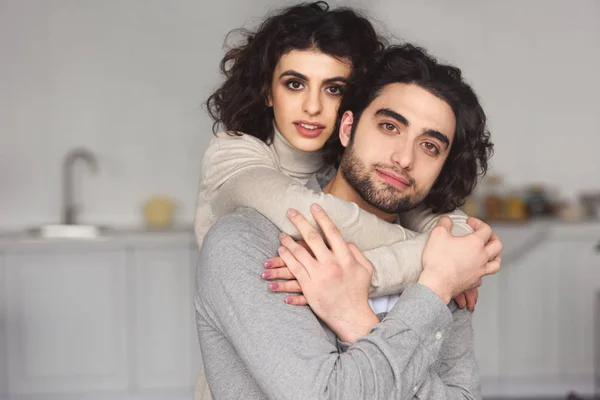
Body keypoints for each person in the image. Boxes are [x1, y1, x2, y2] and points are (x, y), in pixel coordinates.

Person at [194, 43, 501, 399]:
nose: (404, 158)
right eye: (389, 126)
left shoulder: (442, 259)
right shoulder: (246, 244)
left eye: (430, 146)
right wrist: (432, 292)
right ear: (347, 128)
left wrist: (358, 321)